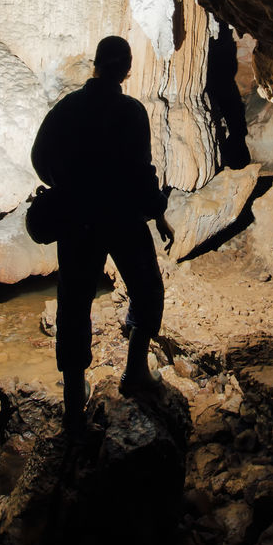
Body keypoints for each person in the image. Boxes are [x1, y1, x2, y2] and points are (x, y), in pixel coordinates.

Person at [32, 35, 174, 435]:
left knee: (74, 305)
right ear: (127, 70)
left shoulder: (69, 108)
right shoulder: (130, 112)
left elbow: (40, 158)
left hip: (79, 219)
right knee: (147, 291)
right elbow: (143, 174)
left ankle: (74, 404)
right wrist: (158, 214)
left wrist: (66, 185)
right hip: (123, 218)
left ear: (95, 65)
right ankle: (134, 371)